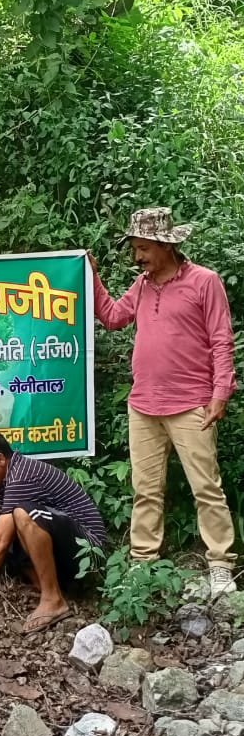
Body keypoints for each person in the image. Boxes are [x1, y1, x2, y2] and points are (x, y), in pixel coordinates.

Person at [89, 206, 237, 598]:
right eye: (135, 249)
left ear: (165, 245)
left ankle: (221, 565)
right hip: (143, 405)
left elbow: (221, 341)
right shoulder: (141, 285)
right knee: (146, 490)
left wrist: (220, 393)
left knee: (207, 488)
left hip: (192, 404)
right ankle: (142, 564)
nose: (137, 257)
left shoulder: (204, 281)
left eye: (143, 248)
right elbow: (113, 318)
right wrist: (92, 278)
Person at [0, 429, 106, 632]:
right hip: (65, 552)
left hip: (89, 552)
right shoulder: (1, 481)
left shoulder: (22, 475)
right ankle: (43, 586)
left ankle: (53, 599)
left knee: (24, 515)